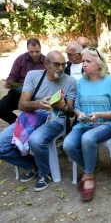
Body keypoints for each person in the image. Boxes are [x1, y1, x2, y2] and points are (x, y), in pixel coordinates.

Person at [0, 51, 77, 191]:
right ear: (46, 64)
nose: (61, 68)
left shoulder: (70, 81)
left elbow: (71, 112)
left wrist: (63, 106)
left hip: (55, 119)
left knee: (35, 140)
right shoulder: (33, 76)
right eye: (56, 64)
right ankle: (31, 164)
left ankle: (45, 173)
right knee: (1, 145)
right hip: (31, 117)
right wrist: (38, 104)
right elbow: (21, 105)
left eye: (63, 64)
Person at [63, 48, 111, 201]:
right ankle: (90, 166)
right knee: (67, 145)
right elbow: (76, 107)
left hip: (108, 123)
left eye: (88, 61)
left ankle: (88, 175)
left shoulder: (110, 82)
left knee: (88, 138)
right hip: (85, 123)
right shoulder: (81, 82)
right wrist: (80, 114)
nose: (84, 64)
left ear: (99, 64)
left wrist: (99, 115)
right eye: (83, 61)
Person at [0, 38, 46, 124]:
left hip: (38, 94)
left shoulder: (46, 61)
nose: (34, 54)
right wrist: (9, 83)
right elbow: (12, 76)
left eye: (37, 51)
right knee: (1, 108)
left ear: (40, 48)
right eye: (31, 52)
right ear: (27, 50)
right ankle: (18, 124)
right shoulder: (20, 59)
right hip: (19, 92)